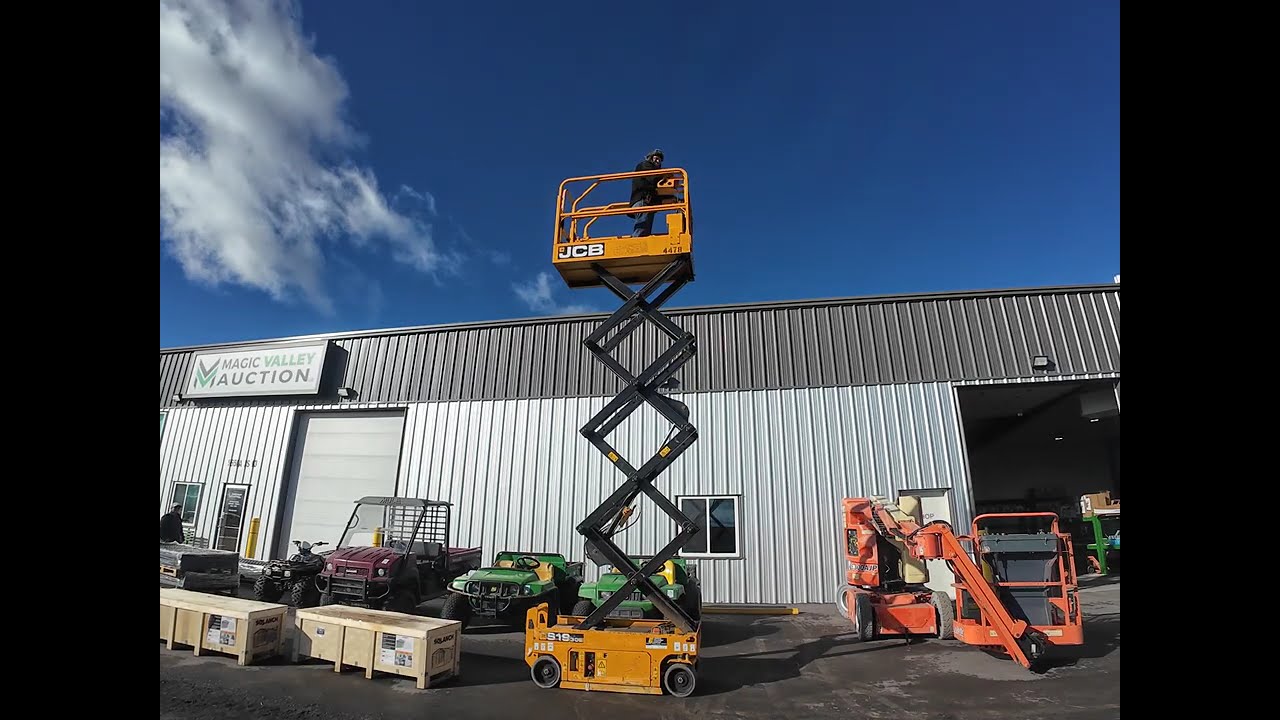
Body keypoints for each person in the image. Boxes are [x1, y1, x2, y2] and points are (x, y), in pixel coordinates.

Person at [629, 148, 668, 237]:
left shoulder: (654, 177)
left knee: (645, 230)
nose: (658, 161)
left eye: (659, 159)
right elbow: (653, 177)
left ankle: (640, 244)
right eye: (656, 158)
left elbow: (655, 192)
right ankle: (636, 243)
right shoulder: (645, 165)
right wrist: (665, 175)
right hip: (642, 201)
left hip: (648, 202)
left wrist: (671, 198)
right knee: (642, 229)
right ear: (650, 158)